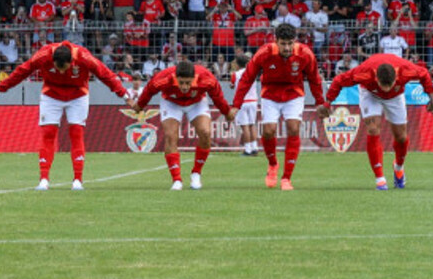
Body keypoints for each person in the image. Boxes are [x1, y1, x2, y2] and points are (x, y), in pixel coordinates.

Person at [0, 41, 128, 190]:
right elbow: (22, 71)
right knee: (48, 133)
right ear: (53, 61)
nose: (62, 72)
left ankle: (78, 180)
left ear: (72, 62)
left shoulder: (83, 57)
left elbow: (105, 75)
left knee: (76, 132)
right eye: (58, 68)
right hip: (51, 95)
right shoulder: (43, 56)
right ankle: (43, 180)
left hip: (78, 95)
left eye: (65, 68)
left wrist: (125, 96)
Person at [319, 53, 433, 190]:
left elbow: (424, 74)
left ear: (396, 78)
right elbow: (339, 80)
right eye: (382, 85)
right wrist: (327, 103)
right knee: (373, 129)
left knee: (401, 137)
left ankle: (398, 167)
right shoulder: (364, 72)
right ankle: (380, 179)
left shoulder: (405, 70)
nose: (385, 90)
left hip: (395, 97)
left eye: (389, 85)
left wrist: (431, 96)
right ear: (376, 78)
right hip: (370, 94)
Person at [231, 22, 323, 190]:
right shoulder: (264, 53)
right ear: (276, 41)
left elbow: (315, 79)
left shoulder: (305, 54)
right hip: (270, 93)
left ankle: (286, 178)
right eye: (283, 43)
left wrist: (320, 102)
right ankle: (273, 165)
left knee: (294, 128)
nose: (287, 47)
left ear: (295, 41)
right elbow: (247, 78)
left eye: (290, 43)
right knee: (268, 130)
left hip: (294, 93)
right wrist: (236, 104)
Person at [131, 60, 233, 190]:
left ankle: (196, 174)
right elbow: (149, 90)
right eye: (181, 82)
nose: (184, 87)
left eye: (188, 83)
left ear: (194, 78)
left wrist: (226, 112)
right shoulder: (163, 78)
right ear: (175, 77)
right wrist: (139, 105)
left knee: (205, 133)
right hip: (171, 102)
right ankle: (176, 180)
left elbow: (217, 96)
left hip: (196, 103)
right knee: (170, 136)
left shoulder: (207, 78)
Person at [231, 52, 261, 156]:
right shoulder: (251, 72)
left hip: (242, 101)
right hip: (253, 100)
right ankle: (255, 147)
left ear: (237, 64)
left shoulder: (235, 74)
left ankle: (248, 149)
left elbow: (231, 85)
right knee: (252, 124)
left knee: (245, 126)